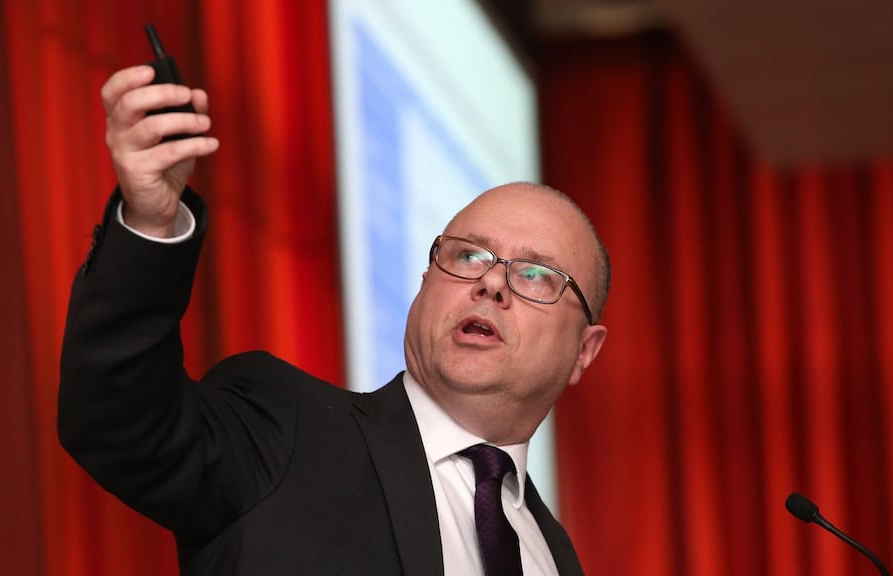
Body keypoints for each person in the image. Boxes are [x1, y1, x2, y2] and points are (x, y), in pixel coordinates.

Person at [58, 64, 610, 576]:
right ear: (425, 283)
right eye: (469, 256)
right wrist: (151, 223)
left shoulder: (554, 553)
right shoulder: (284, 429)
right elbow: (118, 420)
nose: (490, 282)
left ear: (585, 351)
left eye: (536, 274)